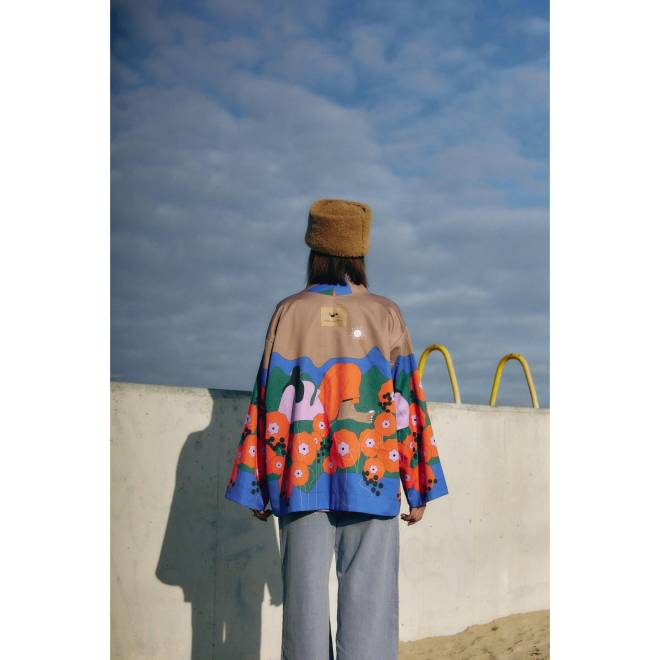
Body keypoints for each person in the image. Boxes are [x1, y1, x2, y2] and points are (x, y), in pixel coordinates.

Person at [225, 198, 449, 660]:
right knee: (370, 603)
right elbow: (406, 400)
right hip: (373, 473)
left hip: (300, 479)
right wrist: (418, 484)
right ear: (360, 251)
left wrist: (257, 484)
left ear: (315, 248)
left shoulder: (288, 312)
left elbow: (267, 397)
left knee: (302, 606)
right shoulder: (385, 313)